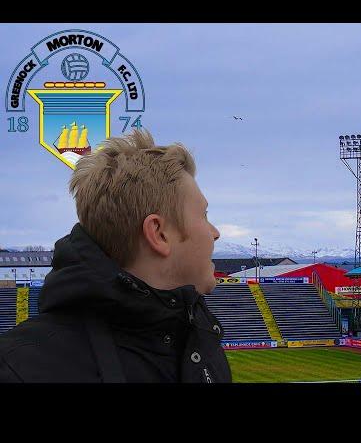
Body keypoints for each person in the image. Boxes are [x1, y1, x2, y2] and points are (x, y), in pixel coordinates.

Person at [0, 129, 232, 383]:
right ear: (159, 233)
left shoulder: (202, 345)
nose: (215, 233)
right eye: (205, 215)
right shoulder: (19, 370)